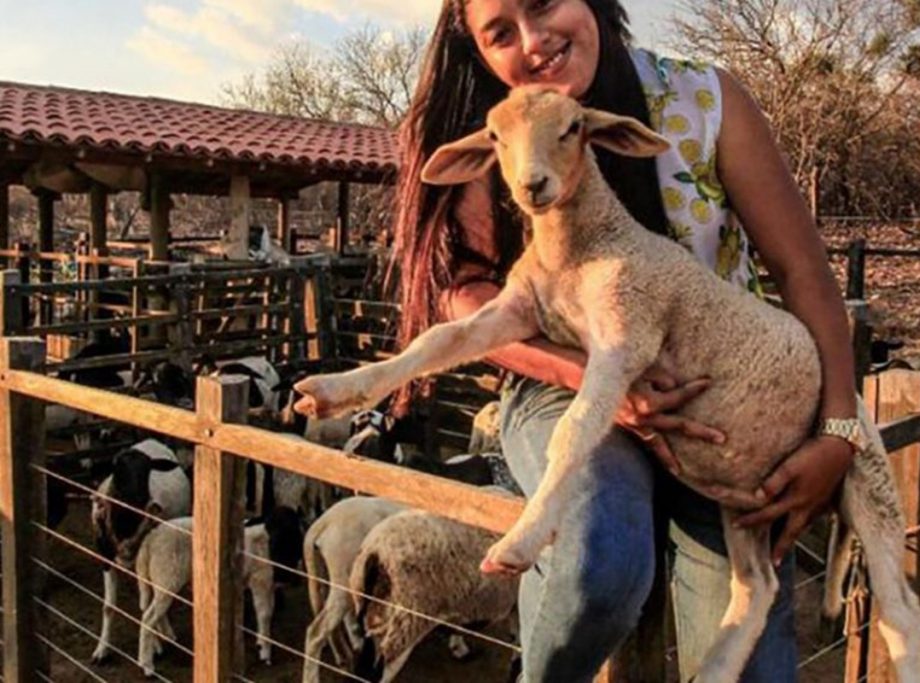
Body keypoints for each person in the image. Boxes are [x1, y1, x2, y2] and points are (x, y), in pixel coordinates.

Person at [308, 0, 861, 680]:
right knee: (600, 557)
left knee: (753, 662)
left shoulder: (703, 100)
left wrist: (839, 430)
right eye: (501, 33)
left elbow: (803, 268)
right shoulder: (496, 126)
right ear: (479, 50)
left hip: (720, 393)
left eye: (545, 4)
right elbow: (469, 296)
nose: (534, 41)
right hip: (560, 378)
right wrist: (591, 376)